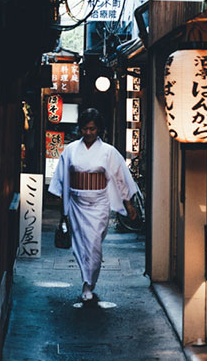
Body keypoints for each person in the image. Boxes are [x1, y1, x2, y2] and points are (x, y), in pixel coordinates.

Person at [48, 108, 137, 303]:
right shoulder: (71, 149)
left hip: (98, 203)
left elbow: (120, 178)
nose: (88, 132)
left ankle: (90, 280)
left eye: (92, 129)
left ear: (99, 130)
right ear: (80, 128)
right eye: (85, 129)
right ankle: (86, 282)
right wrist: (61, 203)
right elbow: (62, 177)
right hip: (77, 203)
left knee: (94, 244)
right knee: (80, 246)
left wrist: (128, 204)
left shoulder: (108, 151)